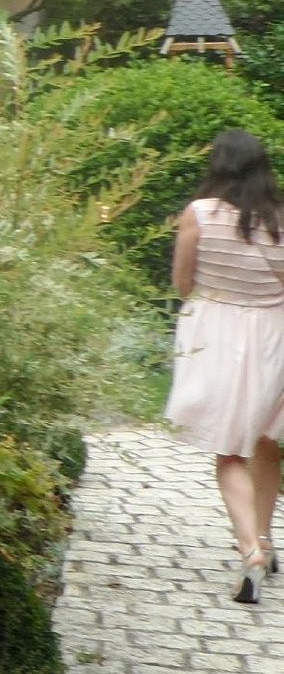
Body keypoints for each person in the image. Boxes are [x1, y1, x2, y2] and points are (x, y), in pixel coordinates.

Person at [166, 128, 284, 604]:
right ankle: (268, 538)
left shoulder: (199, 215)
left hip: (217, 333)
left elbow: (181, 283)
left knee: (229, 451)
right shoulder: (281, 219)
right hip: (276, 335)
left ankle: (250, 549)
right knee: (266, 440)